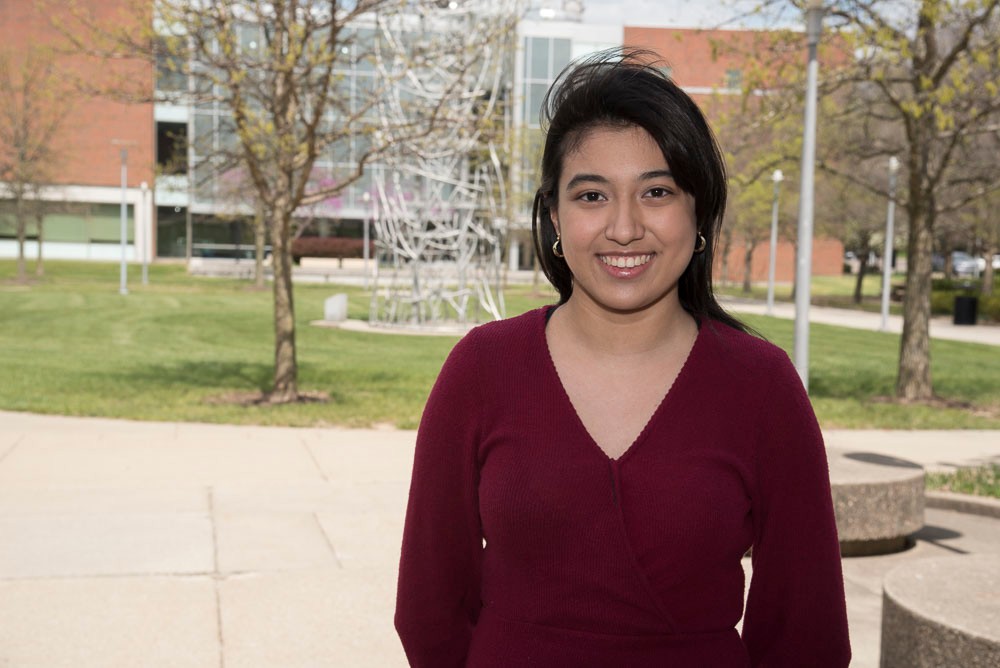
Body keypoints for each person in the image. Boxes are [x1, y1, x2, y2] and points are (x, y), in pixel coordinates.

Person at [395, 48, 851, 667]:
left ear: (699, 213)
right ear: (554, 215)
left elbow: (807, 628)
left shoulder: (761, 385)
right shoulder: (483, 368)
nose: (625, 227)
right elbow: (429, 603)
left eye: (657, 191)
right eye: (591, 196)